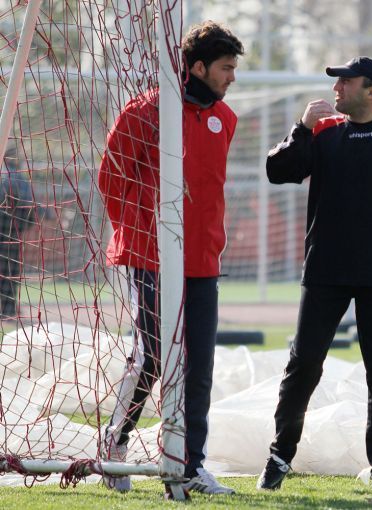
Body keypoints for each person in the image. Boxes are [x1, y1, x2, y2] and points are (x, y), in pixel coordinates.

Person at [258, 56, 372, 493]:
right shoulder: (322, 131)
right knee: (303, 365)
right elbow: (277, 171)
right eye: (336, 81)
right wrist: (301, 128)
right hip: (325, 270)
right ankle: (279, 457)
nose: (336, 88)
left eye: (346, 81)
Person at [97, 21, 243, 494]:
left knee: (199, 365)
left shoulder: (225, 118)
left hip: (203, 261)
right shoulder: (146, 110)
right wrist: (142, 233)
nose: (232, 77)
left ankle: (189, 465)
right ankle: (115, 442)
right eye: (225, 68)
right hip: (149, 257)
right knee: (154, 356)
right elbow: (111, 178)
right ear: (198, 67)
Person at [0, 147, 35, 319]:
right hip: (13, 228)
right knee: (11, 269)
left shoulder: (8, 175)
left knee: (8, 269)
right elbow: (29, 204)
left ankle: (8, 310)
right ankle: (9, 309)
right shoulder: (18, 177)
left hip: (6, 224)